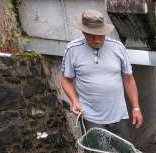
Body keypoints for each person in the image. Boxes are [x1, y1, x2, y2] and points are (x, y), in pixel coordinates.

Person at [61, 9, 143, 141]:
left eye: (101, 35)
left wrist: (136, 107)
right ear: (83, 31)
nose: (97, 40)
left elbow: (129, 79)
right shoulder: (72, 49)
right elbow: (66, 79)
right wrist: (74, 101)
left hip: (119, 115)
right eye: (92, 35)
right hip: (90, 116)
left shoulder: (118, 48)